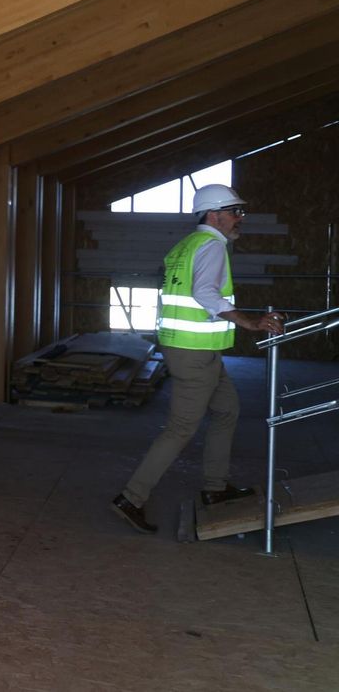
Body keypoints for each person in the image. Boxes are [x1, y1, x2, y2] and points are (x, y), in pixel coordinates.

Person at [111, 183, 282, 533]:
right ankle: (131, 497)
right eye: (235, 212)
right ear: (214, 215)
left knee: (227, 410)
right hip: (192, 353)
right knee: (180, 428)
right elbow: (204, 292)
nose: (240, 219)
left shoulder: (187, 245)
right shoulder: (212, 246)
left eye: (240, 212)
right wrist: (248, 321)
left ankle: (215, 489)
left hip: (195, 350)